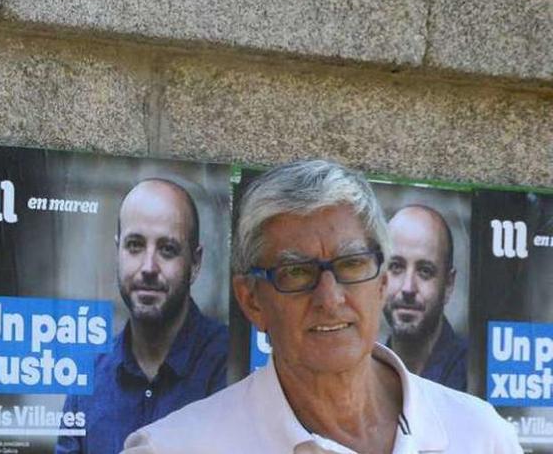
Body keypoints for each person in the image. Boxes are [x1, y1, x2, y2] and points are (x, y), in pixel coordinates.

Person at [122, 160, 521, 453]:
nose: (330, 298)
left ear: (382, 282)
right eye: (296, 272)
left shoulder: (480, 435)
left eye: (351, 265)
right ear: (251, 301)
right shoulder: (173, 448)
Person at [56, 178, 228, 454]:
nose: (148, 267)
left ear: (194, 264)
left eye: (167, 250)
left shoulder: (230, 366)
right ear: (118, 252)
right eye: (135, 246)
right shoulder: (87, 376)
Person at [384, 205, 468, 391]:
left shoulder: (474, 374)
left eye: (425, 271)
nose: (408, 288)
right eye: (396, 267)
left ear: (448, 285)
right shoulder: (362, 374)